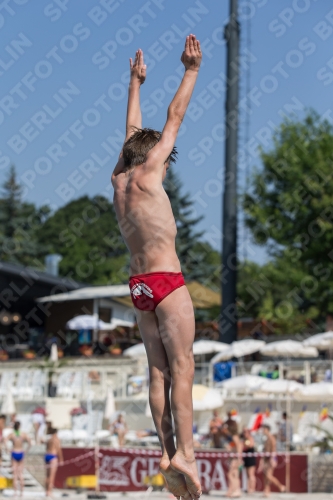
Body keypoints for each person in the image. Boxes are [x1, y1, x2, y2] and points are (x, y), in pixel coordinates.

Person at [111, 35, 202, 500]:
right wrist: (190, 70)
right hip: (167, 280)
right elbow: (175, 118)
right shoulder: (149, 172)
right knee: (183, 366)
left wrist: (134, 82)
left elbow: (131, 130)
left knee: (157, 372)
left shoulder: (119, 179)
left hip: (139, 286)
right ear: (155, 156)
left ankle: (165, 450)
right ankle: (186, 453)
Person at [5, 421, 31, 497]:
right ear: (20, 426)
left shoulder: (12, 434)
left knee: (15, 475)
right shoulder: (23, 434)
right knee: (21, 474)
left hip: (14, 452)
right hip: (21, 452)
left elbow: (4, 440)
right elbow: (30, 442)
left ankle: (15, 492)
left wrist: (8, 449)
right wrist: (26, 450)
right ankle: (21, 493)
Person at [259, 424, 285, 497]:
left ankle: (280, 486)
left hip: (271, 458)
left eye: (264, 430)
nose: (263, 431)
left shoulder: (271, 438)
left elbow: (273, 448)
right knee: (265, 475)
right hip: (266, 459)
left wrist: (272, 459)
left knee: (268, 475)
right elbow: (265, 450)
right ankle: (267, 490)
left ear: (267, 430)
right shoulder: (266, 438)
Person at [223, 419, 242, 498]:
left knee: (230, 474)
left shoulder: (234, 437)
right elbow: (236, 447)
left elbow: (239, 447)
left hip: (235, 458)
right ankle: (236, 490)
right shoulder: (234, 437)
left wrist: (238, 458)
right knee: (235, 475)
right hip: (235, 457)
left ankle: (236, 490)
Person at [44, 428, 63, 499]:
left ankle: (46, 491)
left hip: (47, 456)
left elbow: (46, 448)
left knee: (47, 475)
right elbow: (59, 450)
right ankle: (49, 491)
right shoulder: (57, 439)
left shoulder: (49, 439)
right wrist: (61, 459)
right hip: (53, 456)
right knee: (52, 476)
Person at [242, 428, 256, 494]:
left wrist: (245, 444)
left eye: (245, 432)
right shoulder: (245, 439)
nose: (244, 433)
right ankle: (248, 488)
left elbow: (250, 445)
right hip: (246, 458)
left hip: (251, 459)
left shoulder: (250, 438)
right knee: (248, 475)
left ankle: (252, 488)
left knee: (251, 474)